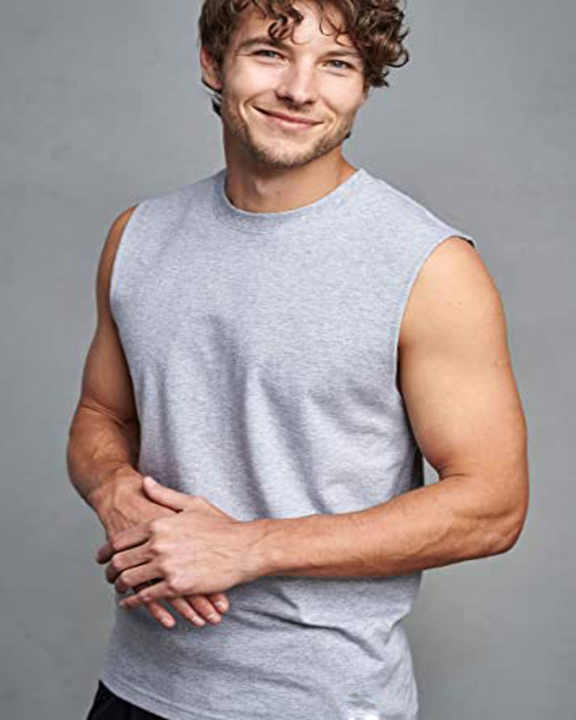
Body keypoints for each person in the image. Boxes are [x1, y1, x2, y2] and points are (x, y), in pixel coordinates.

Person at [67, 0, 529, 718]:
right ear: (213, 61)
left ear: (364, 85)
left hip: (319, 703)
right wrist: (113, 490)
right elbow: (102, 413)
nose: (299, 89)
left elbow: (493, 506)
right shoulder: (139, 236)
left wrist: (250, 547)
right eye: (270, 53)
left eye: (335, 63)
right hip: (135, 688)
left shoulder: (431, 268)